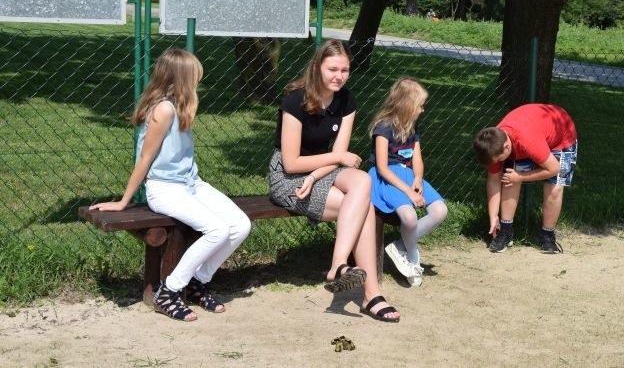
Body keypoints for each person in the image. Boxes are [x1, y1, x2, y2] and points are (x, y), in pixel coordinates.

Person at [90, 49, 252, 321]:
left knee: (240, 225)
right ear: (182, 78)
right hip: (164, 188)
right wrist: (123, 201)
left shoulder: (180, 105)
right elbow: (145, 158)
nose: (199, 80)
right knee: (217, 229)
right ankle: (169, 291)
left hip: (190, 183)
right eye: (195, 75)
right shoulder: (164, 109)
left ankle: (198, 280)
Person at [268, 40, 400, 323]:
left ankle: (338, 264)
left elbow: (338, 156)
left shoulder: (346, 100)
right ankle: (371, 295)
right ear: (317, 67)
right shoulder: (295, 101)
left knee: (362, 182)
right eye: (332, 69)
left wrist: (320, 172)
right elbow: (292, 163)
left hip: (322, 170)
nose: (339, 76)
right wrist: (333, 161)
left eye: (345, 70)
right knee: (363, 208)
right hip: (289, 177)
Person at [367, 77, 448, 287]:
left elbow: (417, 159)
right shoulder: (383, 128)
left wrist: (418, 179)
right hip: (386, 179)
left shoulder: (412, 127)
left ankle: (400, 245)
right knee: (409, 217)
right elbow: (383, 168)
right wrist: (409, 192)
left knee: (440, 210)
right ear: (406, 104)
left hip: (409, 175)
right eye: (420, 105)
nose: (422, 110)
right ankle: (412, 258)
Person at [472, 103, 577, 254]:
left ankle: (547, 235)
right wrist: (493, 215)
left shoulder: (527, 141)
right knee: (509, 178)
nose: (496, 164)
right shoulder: (493, 144)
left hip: (562, 135)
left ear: (507, 147)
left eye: (498, 160)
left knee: (554, 186)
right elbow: (493, 180)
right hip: (536, 133)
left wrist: (521, 177)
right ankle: (506, 231)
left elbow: (554, 169)